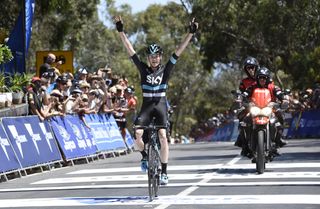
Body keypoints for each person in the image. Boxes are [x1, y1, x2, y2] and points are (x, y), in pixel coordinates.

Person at [114, 15, 198, 185]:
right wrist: (121, 31)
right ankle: (144, 156)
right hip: (146, 106)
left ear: (160, 57)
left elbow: (179, 51)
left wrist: (190, 33)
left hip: (160, 106)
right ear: (148, 58)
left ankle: (165, 172)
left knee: (162, 136)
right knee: (137, 135)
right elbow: (130, 50)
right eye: (151, 56)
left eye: (156, 56)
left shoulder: (166, 69)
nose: (153, 59)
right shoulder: (143, 69)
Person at [246, 67, 287, 150]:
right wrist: (240, 97)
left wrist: (284, 98)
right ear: (257, 78)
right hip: (256, 108)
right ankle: (246, 142)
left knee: (280, 117)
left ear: (267, 78)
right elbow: (246, 92)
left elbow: (279, 93)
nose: (262, 79)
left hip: (270, 108)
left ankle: (278, 139)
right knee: (245, 120)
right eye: (260, 77)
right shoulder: (253, 86)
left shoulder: (272, 87)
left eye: (264, 78)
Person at [234, 56, 260, 156]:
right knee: (241, 119)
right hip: (249, 105)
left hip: (264, 105)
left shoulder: (262, 78)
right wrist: (238, 99)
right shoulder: (243, 82)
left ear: (256, 67)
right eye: (248, 68)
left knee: (277, 115)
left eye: (252, 67)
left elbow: (271, 89)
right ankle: (244, 144)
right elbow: (240, 93)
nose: (251, 70)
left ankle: (278, 138)